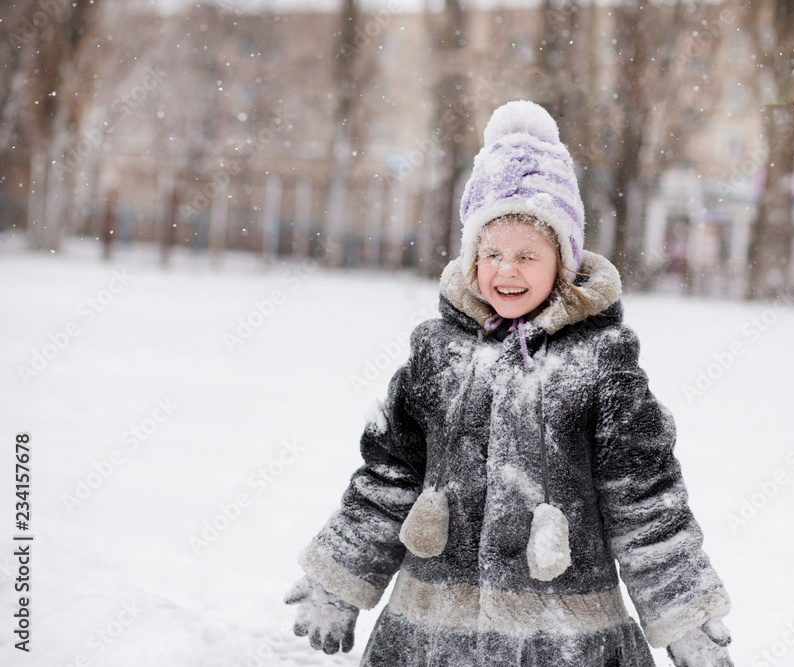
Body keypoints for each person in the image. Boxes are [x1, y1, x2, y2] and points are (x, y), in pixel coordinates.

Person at [285, 100, 733, 666]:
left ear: (564, 262)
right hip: (433, 639)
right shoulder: (437, 354)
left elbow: (643, 496)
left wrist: (685, 616)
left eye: (528, 255)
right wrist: (339, 579)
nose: (507, 270)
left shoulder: (601, 361)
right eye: (491, 253)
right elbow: (388, 474)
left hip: (562, 640)